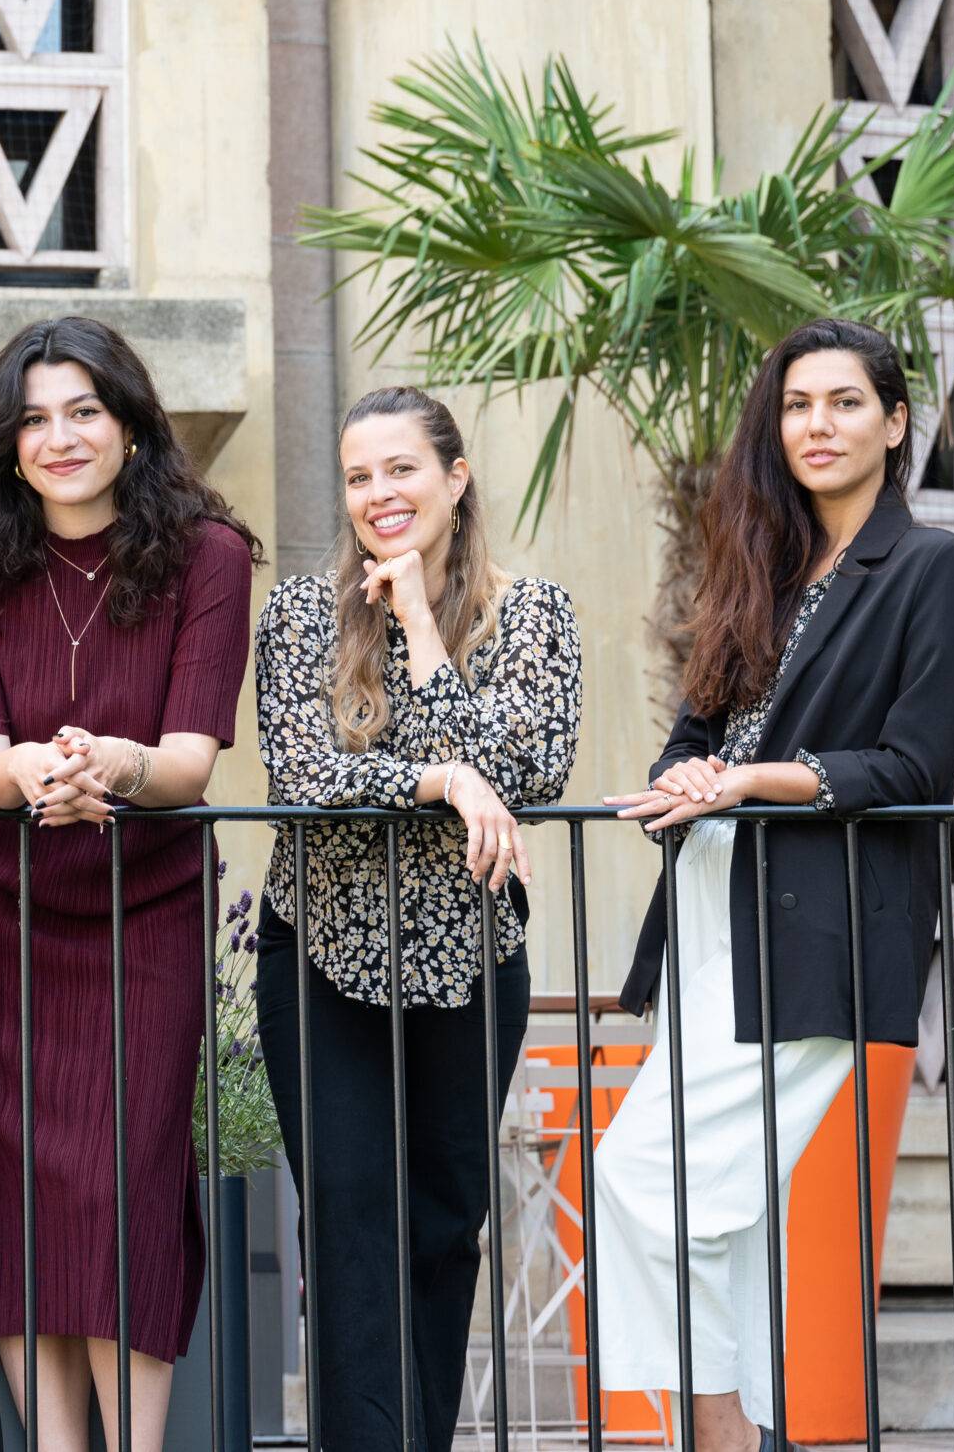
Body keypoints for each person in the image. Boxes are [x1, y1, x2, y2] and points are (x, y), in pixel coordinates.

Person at [599, 319, 954, 1451]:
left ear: (894, 421)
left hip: (819, 923)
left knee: (645, 1180)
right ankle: (729, 1432)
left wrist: (750, 779)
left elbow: (913, 764)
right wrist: (687, 780)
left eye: (845, 402)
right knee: (703, 1214)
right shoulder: (761, 563)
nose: (817, 424)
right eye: (797, 405)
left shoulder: (932, 566)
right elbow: (692, 731)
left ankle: (719, 1431)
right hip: (711, 907)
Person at [0, 316, 257, 1452]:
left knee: (127, 1181)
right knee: (16, 1187)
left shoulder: (208, 553)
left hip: (142, 902)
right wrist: (32, 771)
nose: (58, 438)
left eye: (82, 412)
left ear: (128, 422)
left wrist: (107, 765)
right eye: (33, 419)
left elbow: (189, 761)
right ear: (6, 444)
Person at [251, 384, 581, 1452]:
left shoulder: (533, 615)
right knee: (350, 1227)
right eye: (357, 475)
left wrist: (421, 628)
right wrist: (440, 781)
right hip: (322, 956)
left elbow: (527, 767)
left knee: (444, 1229)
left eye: (400, 468)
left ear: (455, 475)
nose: (378, 493)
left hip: (471, 960)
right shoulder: (300, 613)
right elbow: (302, 771)